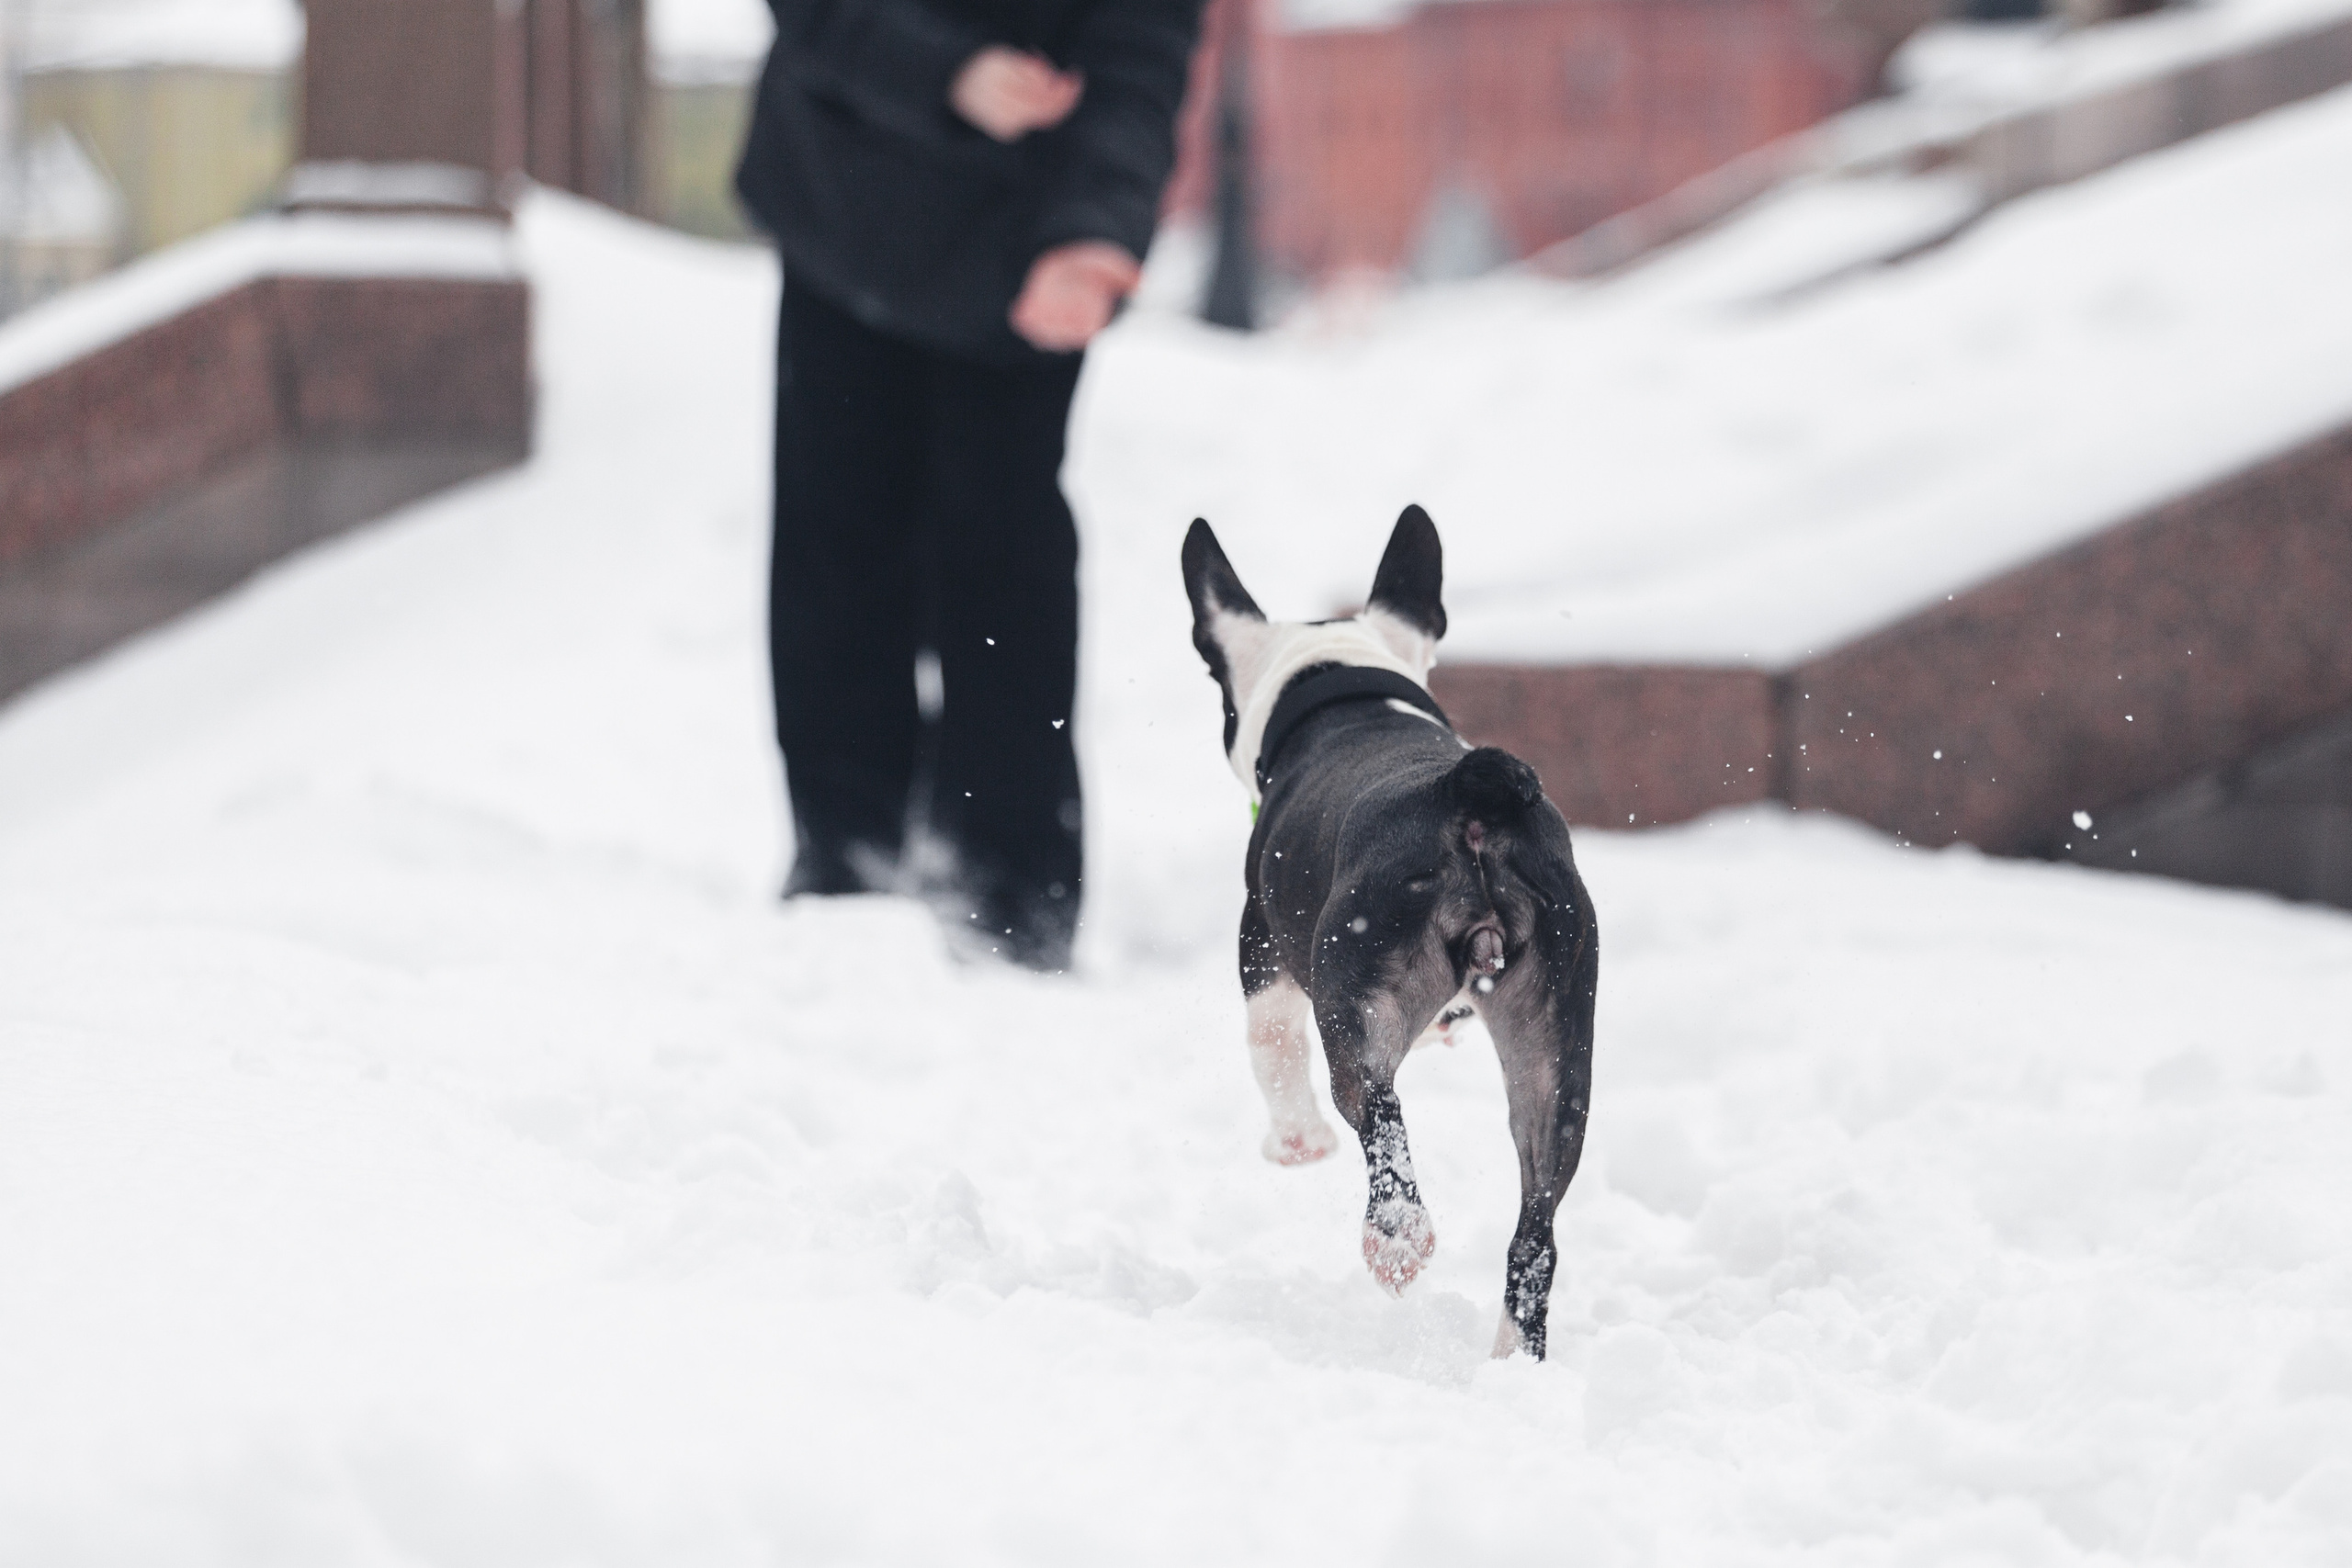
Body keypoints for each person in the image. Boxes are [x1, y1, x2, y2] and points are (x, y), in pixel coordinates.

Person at [736, 0, 1205, 973]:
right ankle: (847, 853)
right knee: (837, 520)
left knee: (1002, 538)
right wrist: (944, 73)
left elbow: (1140, 52)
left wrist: (1096, 229)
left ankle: (1010, 884)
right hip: (844, 182)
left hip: (1027, 236)